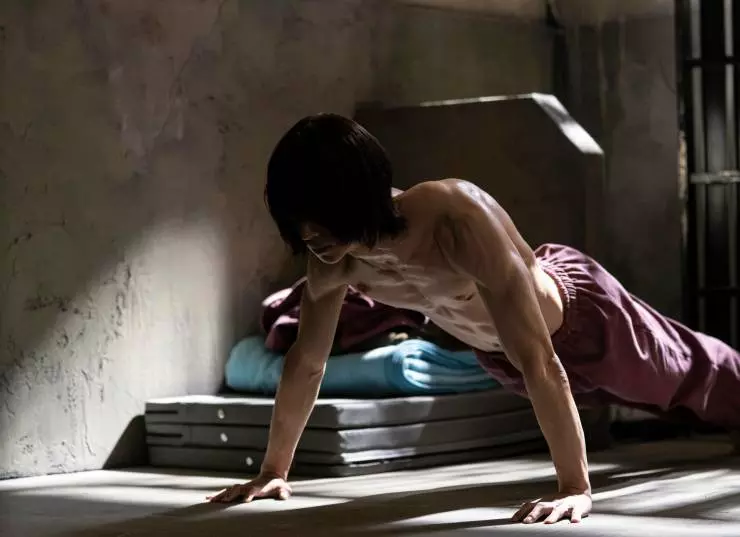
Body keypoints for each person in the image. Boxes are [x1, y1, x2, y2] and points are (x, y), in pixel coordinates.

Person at [207, 113, 740, 524]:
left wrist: (575, 488)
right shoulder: (332, 263)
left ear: (352, 195)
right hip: (506, 363)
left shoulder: (453, 217)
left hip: (582, 320)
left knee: (698, 378)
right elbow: (306, 363)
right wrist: (273, 470)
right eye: (299, 225)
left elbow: (540, 358)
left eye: (317, 221)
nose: (308, 238)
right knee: (673, 409)